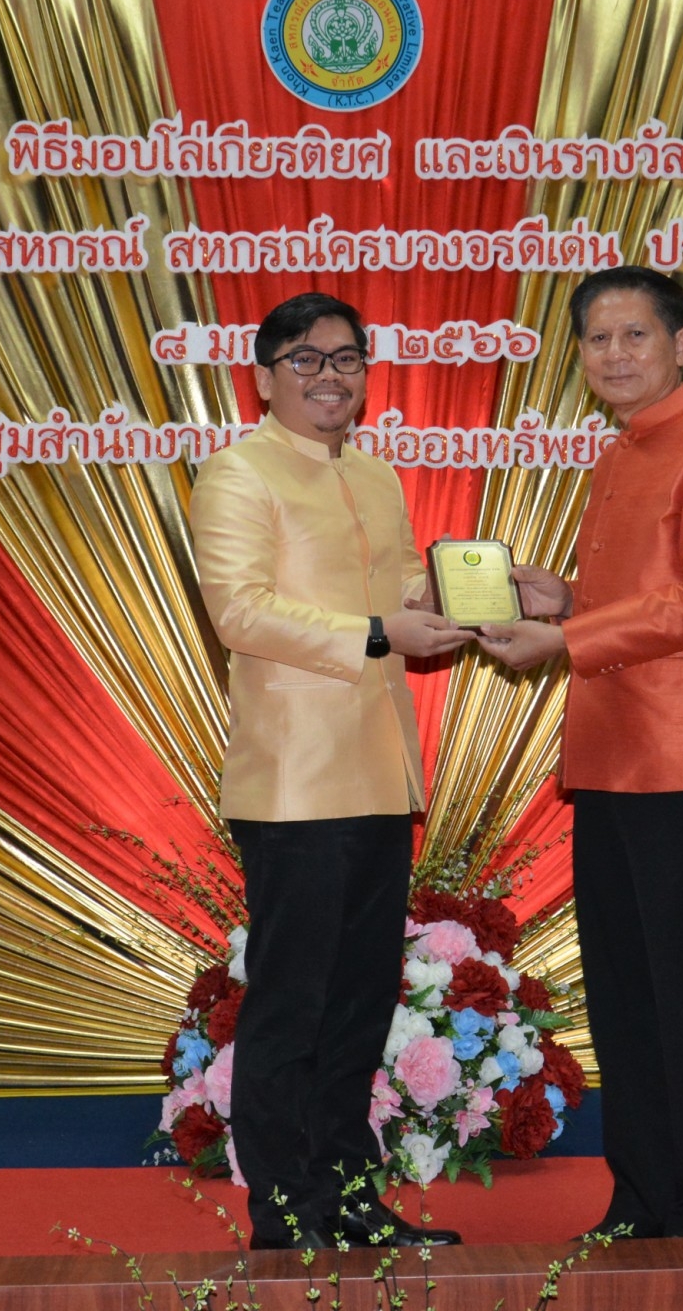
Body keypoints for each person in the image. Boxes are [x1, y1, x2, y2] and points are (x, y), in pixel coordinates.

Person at [477, 266, 683, 1240]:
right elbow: (645, 598)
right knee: (626, 997)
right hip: (608, 759)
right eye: (597, 339)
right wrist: (563, 597)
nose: (614, 354)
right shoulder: (620, 450)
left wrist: (566, 636)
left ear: (680, 343)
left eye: (634, 335)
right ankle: (642, 1200)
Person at [189, 291, 471, 1251]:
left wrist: (465, 592)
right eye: (305, 360)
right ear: (264, 377)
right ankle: (282, 1213)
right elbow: (241, 611)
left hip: (380, 773)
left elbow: (391, 594)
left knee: (358, 1008)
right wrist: (382, 630)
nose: (329, 377)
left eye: (346, 359)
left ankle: (350, 1199)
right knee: (292, 1005)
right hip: (295, 783)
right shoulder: (238, 473)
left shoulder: (376, 477)